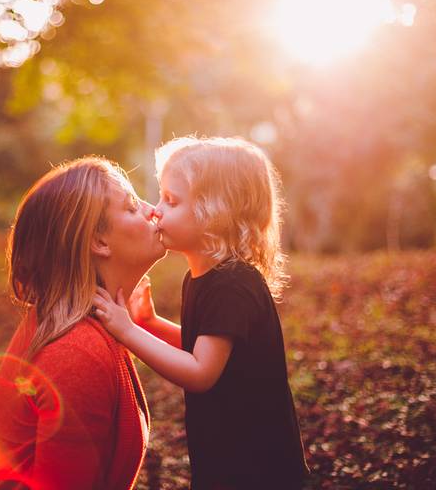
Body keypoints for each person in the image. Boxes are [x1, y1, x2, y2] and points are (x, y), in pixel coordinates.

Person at [92, 136, 309, 489]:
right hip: (226, 448)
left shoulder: (232, 283)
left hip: (259, 462)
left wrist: (129, 331)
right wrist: (151, 323)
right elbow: (203, 349)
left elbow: (200, 372)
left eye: (171, 201)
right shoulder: (200, 277)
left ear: (215, 214)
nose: (156, 209)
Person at [0, 157, 166, 490]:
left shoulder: (94, 324)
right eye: (132, 205)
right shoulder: (77, 354)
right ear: (99, 242)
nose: (154, 210)